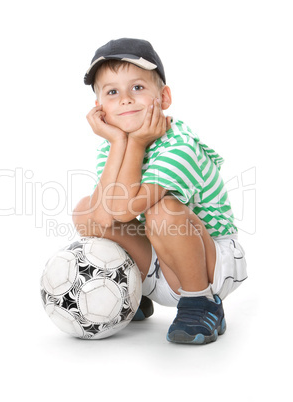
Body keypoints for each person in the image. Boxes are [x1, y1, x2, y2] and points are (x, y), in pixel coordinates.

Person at [72, 38, 247, 345]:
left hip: (207, 263)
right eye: (113, 92)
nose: (126, 100)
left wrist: (136, 143)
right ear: (100, 110)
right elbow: (102, 218)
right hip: (160, 256)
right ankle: (131, 289)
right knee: (86, 210)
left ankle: (201, 303)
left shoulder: (179, 145)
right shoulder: (114, 145)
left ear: (163, 97)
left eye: (137, 88)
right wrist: (120, 143)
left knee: (161, 210)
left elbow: (126, 209)